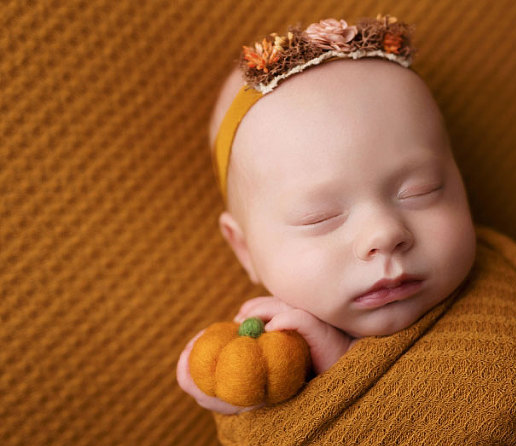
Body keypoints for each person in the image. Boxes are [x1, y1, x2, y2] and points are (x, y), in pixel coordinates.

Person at [177, 16, 477, 414]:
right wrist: (246, 392)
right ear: (244, 249)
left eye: (419, 191)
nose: (384, 234)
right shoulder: (275, 349)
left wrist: (341, 364)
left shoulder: (497, 297)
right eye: (318, 217)